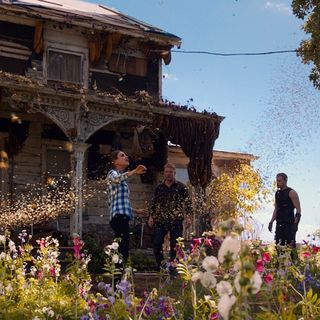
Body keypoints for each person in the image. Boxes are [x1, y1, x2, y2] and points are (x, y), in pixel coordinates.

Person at [148, 162, 192, 272]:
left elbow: (188, 204)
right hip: (161, 220)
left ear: (174, 173)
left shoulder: (181, 187)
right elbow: (154, 203)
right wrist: (151, 216)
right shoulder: (159, 188)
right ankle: (161, 265)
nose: (168, 174)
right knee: (157, 243)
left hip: (176, 220)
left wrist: (188, 217)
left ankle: (173, 267)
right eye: (166, 172)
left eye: (170, 172)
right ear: (164, 173)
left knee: (175, 245)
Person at [107, 150, 147, 262]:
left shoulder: (122, 180)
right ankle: (118, 277)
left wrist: (135, 211)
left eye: (125, 155)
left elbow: (120, 204)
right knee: (122, 248)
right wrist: (134, 171)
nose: (126, 156)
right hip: (118, 217)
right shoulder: (112, 174)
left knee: (122, 247)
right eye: (122, 155)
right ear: (115, 161)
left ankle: (119, 275)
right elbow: (116, 179)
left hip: (121, 216)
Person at [268, 172, 301, 247]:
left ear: (285, 181)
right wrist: (271, 222)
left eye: (279, 181)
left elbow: (298, 210)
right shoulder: (277, 193)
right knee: (279, 246)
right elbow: (276, 209)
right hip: (279, 224)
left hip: (289, 224)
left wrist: (295, 224)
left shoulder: (291, 192)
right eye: (277, 181)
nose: (277, 183)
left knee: (290, 247)